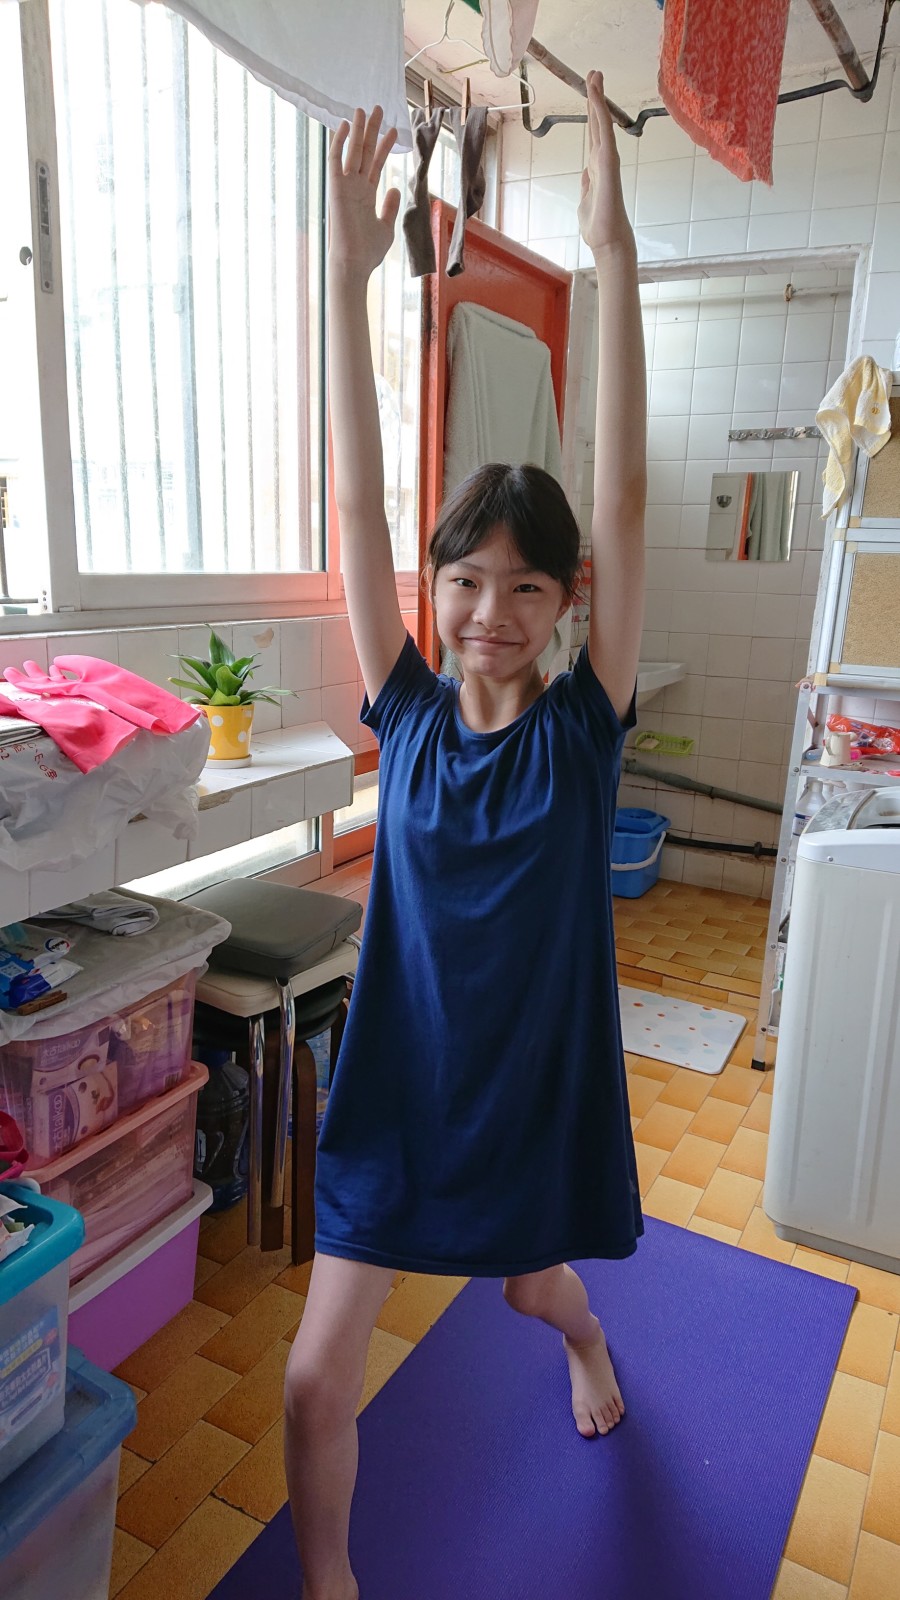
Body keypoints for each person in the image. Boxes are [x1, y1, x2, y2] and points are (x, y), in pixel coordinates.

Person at [284, 70, 647, 1600]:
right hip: (401, 1099)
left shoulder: (582, 732)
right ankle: (330, 1581)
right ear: (437, 588)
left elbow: (624, 501)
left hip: (528, 1102)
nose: (490, 611)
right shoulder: (413, 716)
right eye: (466, 580)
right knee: (312, 1382)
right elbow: (359, 508)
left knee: (528, 1289)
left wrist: (613, 256)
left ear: (566, 607)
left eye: (525, 587)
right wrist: (344, 278)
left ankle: (585, 1340)